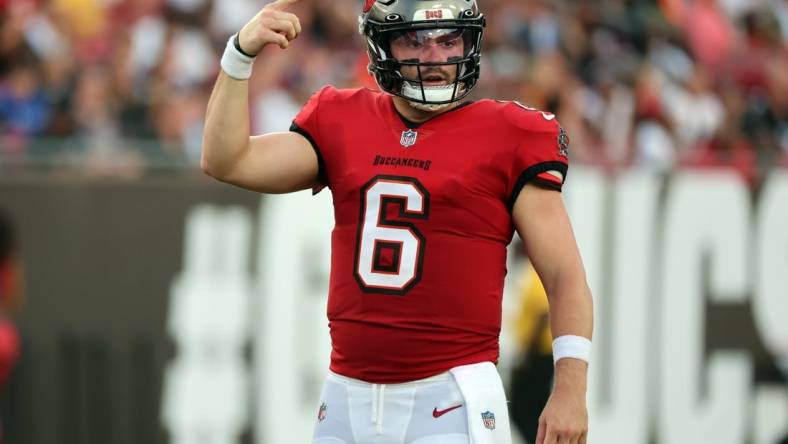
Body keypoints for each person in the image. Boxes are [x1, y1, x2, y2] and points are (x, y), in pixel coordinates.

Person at [201, 0, 593, 443]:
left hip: (450, 398)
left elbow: (564, 276)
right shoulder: (340, 117)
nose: (435, 59)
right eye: (414, 42)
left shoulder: (510, 133)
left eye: (449, 41)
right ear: (381, 45)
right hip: (345, 396)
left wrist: (570, 389)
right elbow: (227, 160)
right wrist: (239, 55)